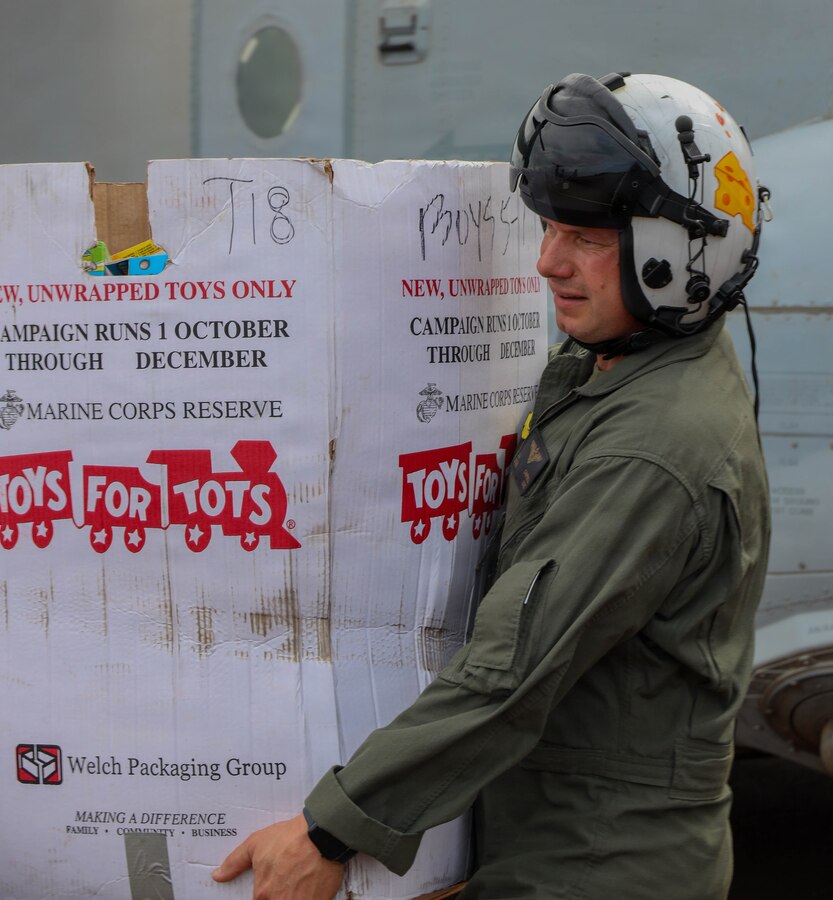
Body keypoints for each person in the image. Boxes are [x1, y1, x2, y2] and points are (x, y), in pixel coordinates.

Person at [212, 72, 771, 899]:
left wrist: (331, 830)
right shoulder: (626, 364)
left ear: (680, 247)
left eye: (583, 236)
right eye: (548, 228)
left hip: (592, 866)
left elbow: (515, 671)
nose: (548, 261)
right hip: (552, 836)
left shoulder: (651, 444)